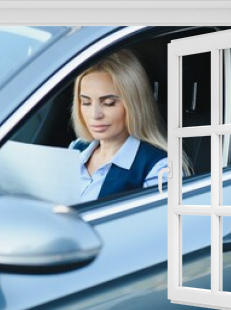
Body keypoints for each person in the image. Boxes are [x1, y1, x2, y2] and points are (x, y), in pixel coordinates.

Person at [69, 49, 191, 202]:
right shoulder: (76, 149)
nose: (95, 114)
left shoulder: (161, 168)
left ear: (134, 104)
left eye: (109, 103)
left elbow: (154, 224)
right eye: (85, 102)